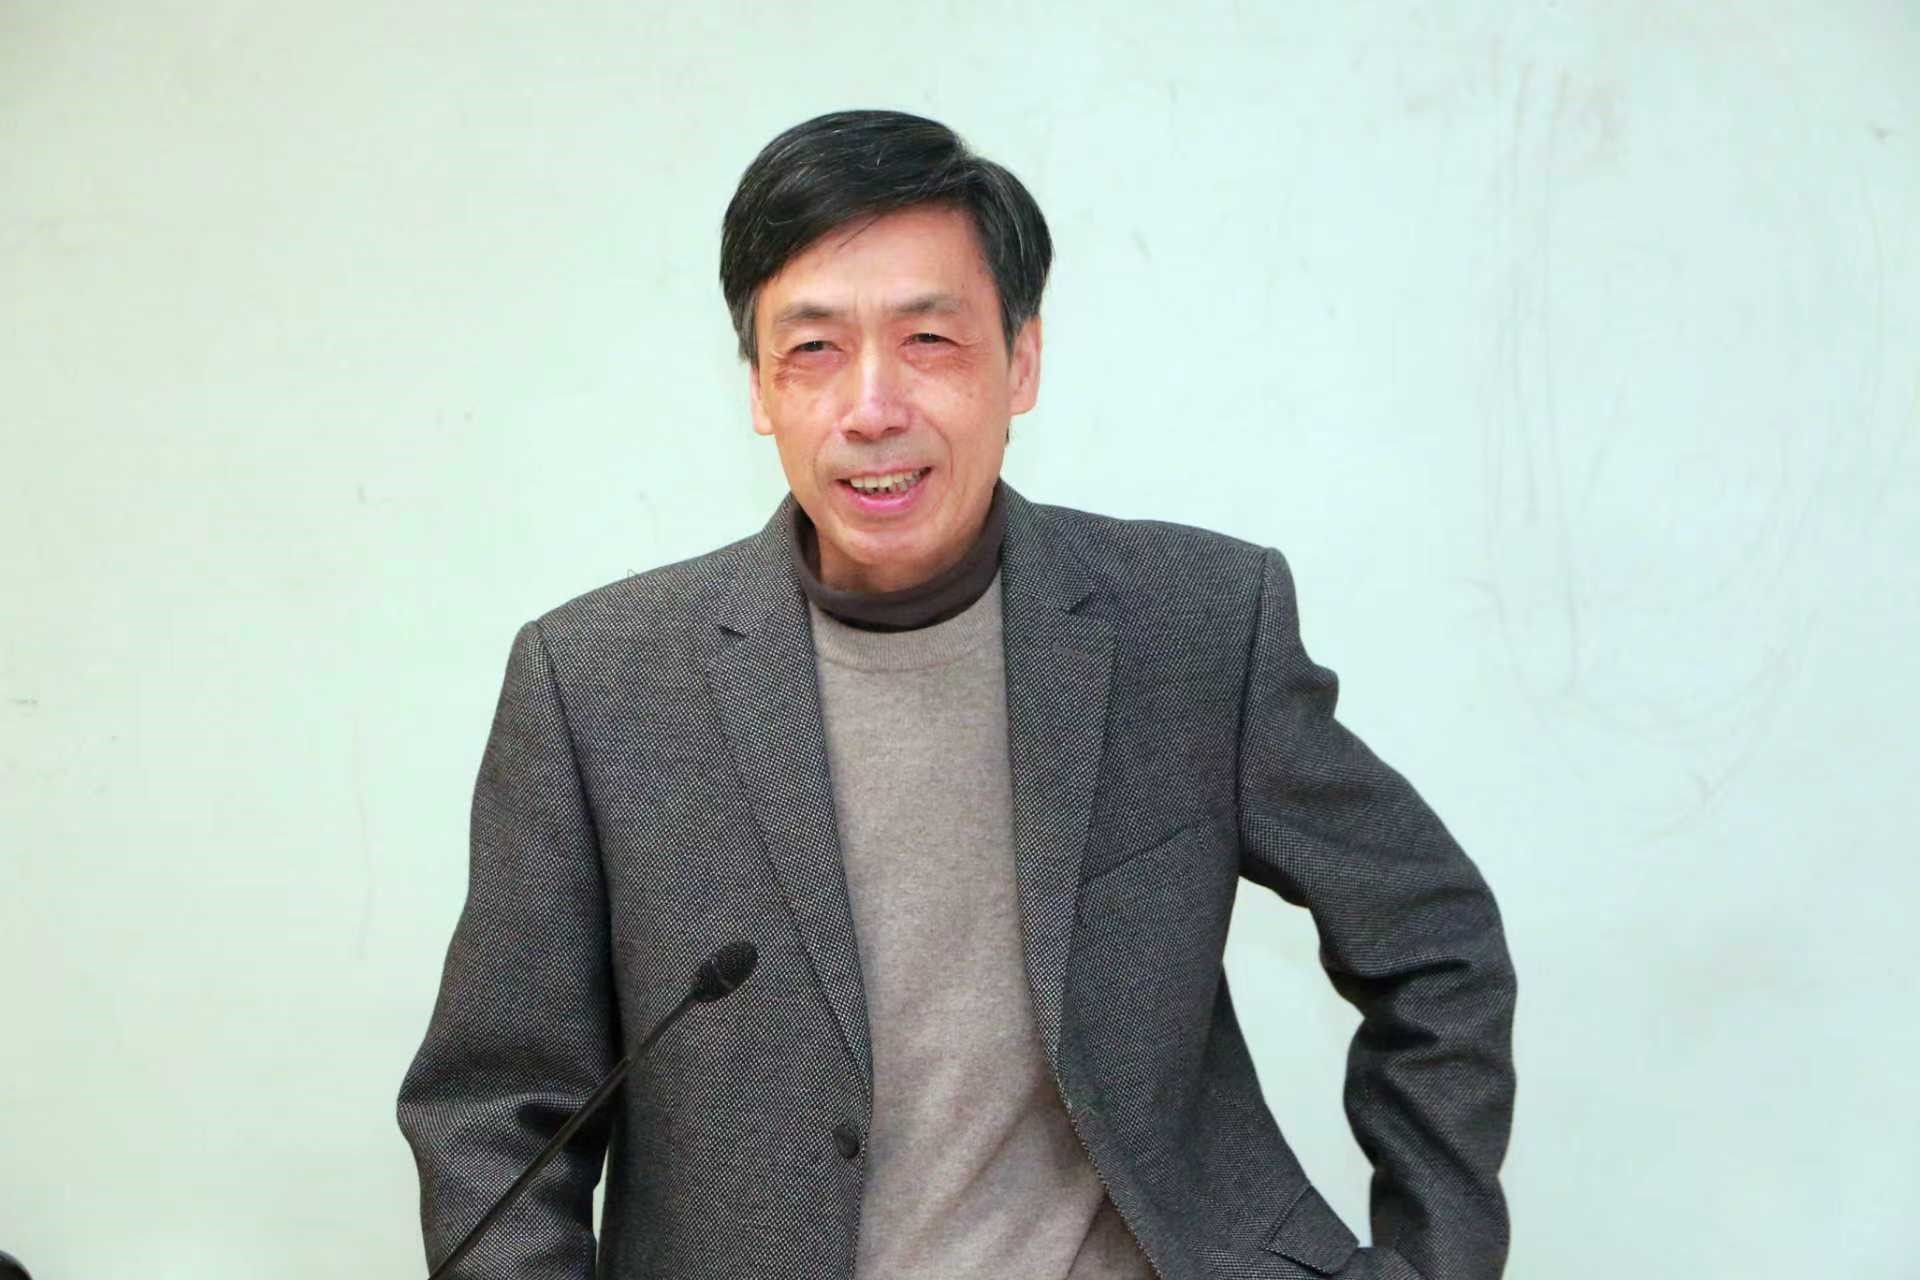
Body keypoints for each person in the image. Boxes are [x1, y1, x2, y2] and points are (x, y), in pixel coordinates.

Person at [397, 109, 1517, 1280]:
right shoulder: (599, 686)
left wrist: (1432, 1261)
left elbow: (1434, 938)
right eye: (813, 349)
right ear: (760, 388)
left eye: (928, 339)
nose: (872, 407)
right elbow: (492, 1108)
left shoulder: (1192, 629)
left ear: (1020, 360)